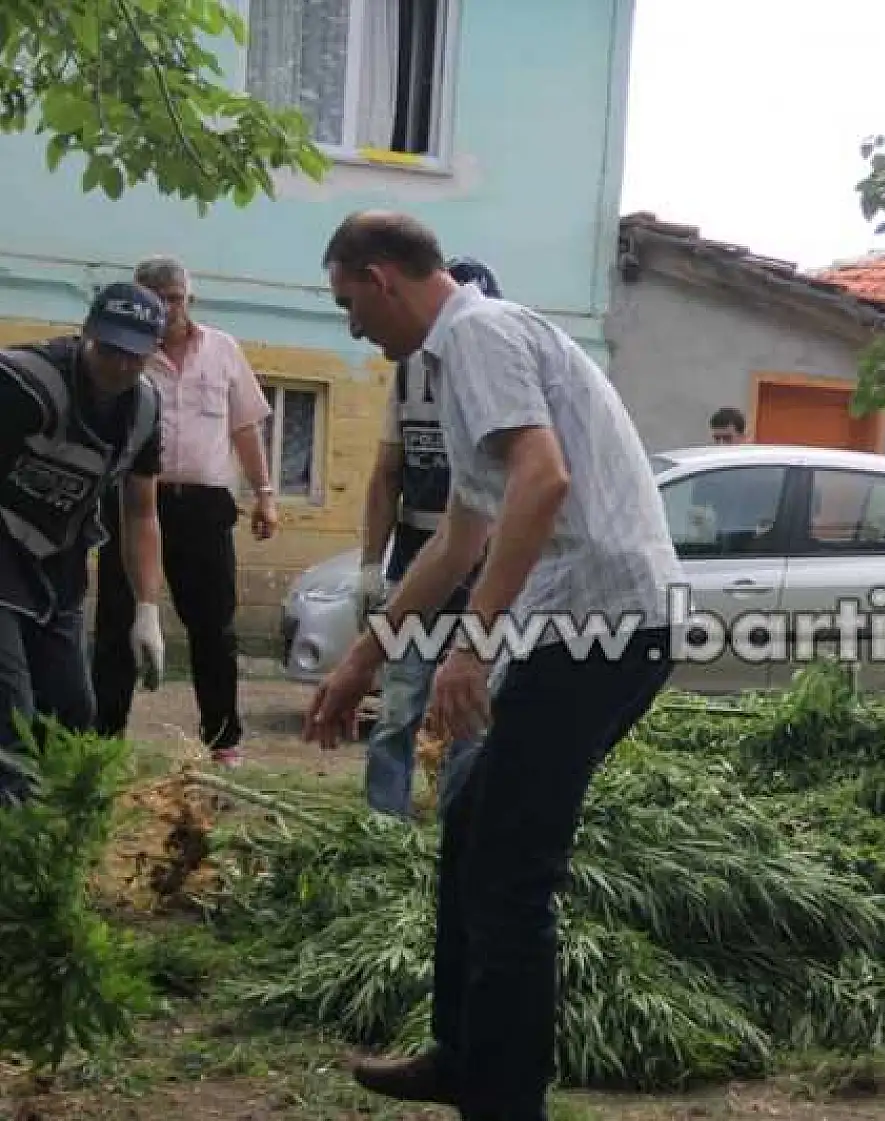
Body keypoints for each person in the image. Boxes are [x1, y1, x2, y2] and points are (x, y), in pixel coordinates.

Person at [303, 211, 681, 1121]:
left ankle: (503, 1102)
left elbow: (543, 481)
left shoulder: (476, 333)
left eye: (349, 302)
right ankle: (464, 1053)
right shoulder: (458, 355)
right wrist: (365, 656)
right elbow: (458, 538)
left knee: (512, 870)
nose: (352, 325)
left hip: (603, 624)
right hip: (587, 625)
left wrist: (471, 644)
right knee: (471, 823)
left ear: (382, 276)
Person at [91, 256, 277, 766]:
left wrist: (264, 492)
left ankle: (223, 742)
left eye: (175, 297)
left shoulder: (222, 349)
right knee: (117, 622)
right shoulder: (125, 351)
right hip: (130, 502)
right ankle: (103, 742)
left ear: (189, 299)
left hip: (203, 505)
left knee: (213, 627)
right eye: (156, 298)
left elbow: (244, 426)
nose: (168, 308)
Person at [0, 284, 169, 801]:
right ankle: (17, 854)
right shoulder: (24, 384)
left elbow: (141, 511)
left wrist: (147, 608)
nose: (119, 367)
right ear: (87, 335)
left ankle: (61, 833)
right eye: (110, 349)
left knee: (73, 713)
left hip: (58, 563)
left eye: (134, 356)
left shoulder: (143, 411)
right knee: (11, 718)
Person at [357, 255, 503, 817]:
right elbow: (386, 472)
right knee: (400, 703)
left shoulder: (499, 375)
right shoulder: (410, 370)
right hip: (418, 561)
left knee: (467, 704)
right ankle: (383, 824)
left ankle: (456, 817)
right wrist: (372, 565)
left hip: (484, 572)